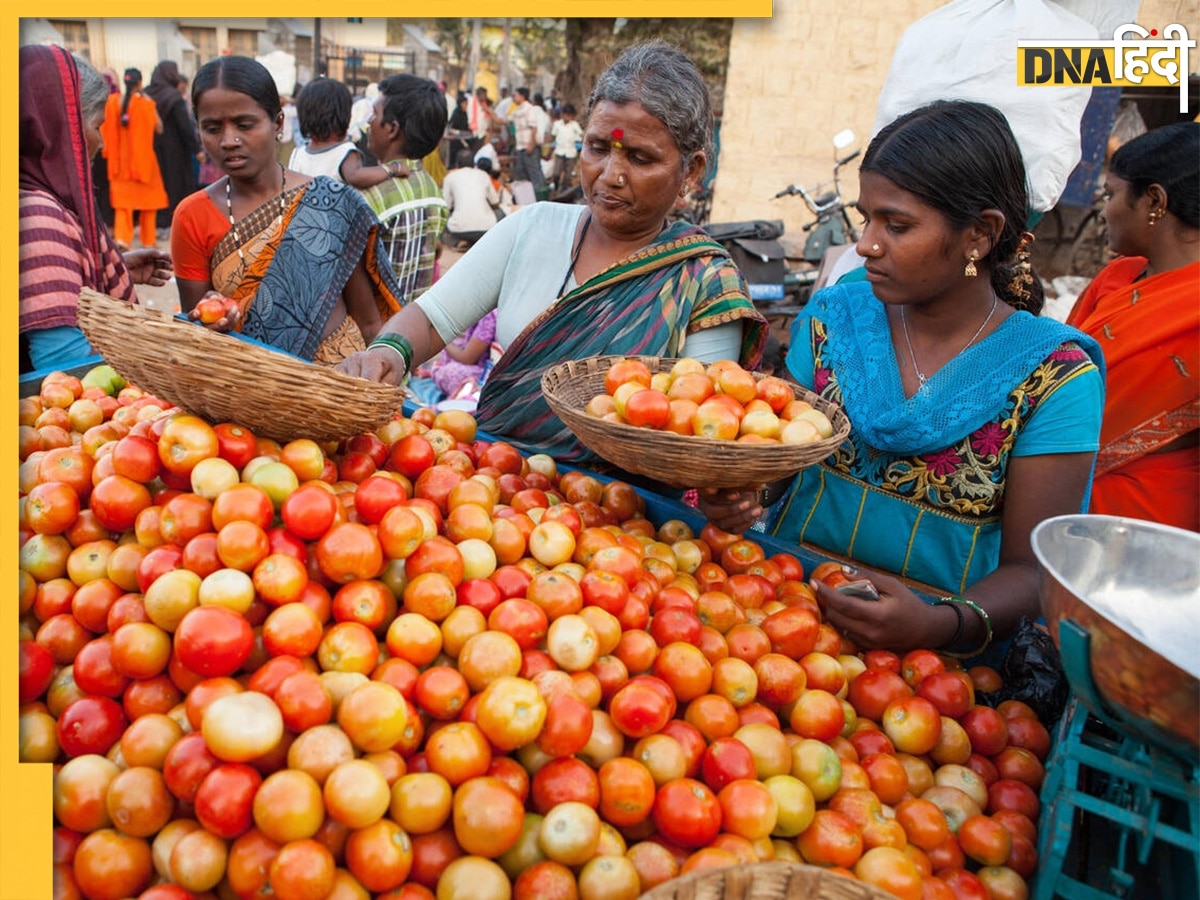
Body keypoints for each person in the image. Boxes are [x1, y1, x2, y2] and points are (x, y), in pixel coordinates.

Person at [701, 100, 1105, 658]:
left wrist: (936, 626)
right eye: (867, 218)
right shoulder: (832, 324)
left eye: (897, 225)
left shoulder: (1054, 379)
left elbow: (1034, 572)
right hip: (781, 625)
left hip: (935, 672)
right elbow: (777, 468)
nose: (866, 244)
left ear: (980, 235)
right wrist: (743, 498)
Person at [339, 41, 768, 463]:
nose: (611, 175)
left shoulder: (704, 282)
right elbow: (434, 318)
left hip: (623, 515)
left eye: (639, 158)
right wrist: (388, 353)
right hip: (492, 484)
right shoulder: (533, 227)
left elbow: (701, 434)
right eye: (598, 148)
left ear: (690, 171)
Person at [170, 55, 403, 365]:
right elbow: (195, 331)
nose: (228, 140)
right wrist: (212, 319)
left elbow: (370, 322)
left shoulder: (332, 203)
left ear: (278, 123)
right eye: (212, 128)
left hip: (340, 386)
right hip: (251, 388)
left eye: (244, 124)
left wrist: (387, 386)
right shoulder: (192, 216)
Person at [1066, 122, 1199, 531]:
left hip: (1157, 523)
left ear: (1154, 201)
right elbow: (1056, 379)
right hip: (1060, 495)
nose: (1104, 209)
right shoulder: (1117, 277)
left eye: (1111, 194)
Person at [20, 45, 172, 372]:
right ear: (60, 126)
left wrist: (108, 267)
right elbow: (64, 361)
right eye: (95, 126)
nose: (101, 142)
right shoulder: (38, 215)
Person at [359, 73, 451, 301]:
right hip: (411, 328)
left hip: (373, 332)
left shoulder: (372, 196)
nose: (369, 122)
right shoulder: (432, 190)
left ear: (391, 128)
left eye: (374, 114)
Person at [102, 68, 169, 250]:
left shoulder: (111, 103)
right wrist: (147, 102)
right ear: (139, 83)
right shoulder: (145, 104)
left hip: (119, 163)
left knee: (123, 205)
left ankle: (123, 239)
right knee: (149, 202)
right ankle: (148, 239)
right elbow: (159, 128)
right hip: (143, 163)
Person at [287, 78, 395, 190]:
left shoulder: (298, 154)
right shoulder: (345, 152)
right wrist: (392, 169)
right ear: (344, 116)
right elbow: (356, 176)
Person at [145, 61, 201, 234]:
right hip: (174, 150)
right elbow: (184, 127)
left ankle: (157, 223)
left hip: (150, 149)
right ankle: (174, 222)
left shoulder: (146, 94)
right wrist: (196, 149)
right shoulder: (174, 97)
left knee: (157, 184)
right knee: (176, 184)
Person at [414, 309, 500, 404]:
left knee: (450, 372)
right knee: (455, 345)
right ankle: (435, 371)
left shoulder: (490, 316)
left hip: (488, 376)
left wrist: (442, 339)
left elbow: (468, 358)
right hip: (484, 367)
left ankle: (437, 373)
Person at [442, 150, 501, 250]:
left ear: (457, 165)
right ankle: (489, 241)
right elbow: (495, 203)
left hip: (459, 231)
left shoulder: (449, 177)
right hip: (486, 228)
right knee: (501, 213)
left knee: (442, 219)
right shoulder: (483, 175)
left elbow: (445, 207)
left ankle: (458, 243)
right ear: (474, 164)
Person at [509, 87, 546, 192]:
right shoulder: (516, 110)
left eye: (515, 95)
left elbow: (533, 128)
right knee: (521, 172)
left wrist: (531, 144)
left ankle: (539, 195)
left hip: (528, 146)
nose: (514, 98)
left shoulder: (529, 109)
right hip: (520, 147)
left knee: (534, 172)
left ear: (522, 96)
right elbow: (505, 120)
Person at [549, 102, 584, 192]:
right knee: (556, 173)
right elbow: (553, 136)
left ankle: (564, 190)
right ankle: (556, 187)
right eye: (566, 115)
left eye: (570, 115)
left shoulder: (574, 125)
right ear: (562, 114)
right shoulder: (557, 124)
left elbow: (581, 135)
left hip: (570, 152)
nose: (567, 117)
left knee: (568, 175)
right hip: (559, 151)